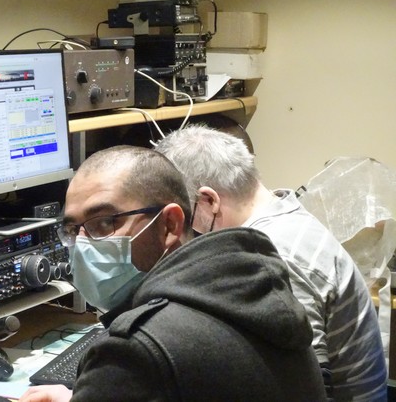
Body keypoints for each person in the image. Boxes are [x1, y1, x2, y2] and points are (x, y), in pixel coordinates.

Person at [19, 145, 325, 402]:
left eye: (105, 223)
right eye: (73, 230)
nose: (84, 245)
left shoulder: (134, 351)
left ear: (169, 225)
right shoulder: (244, 284)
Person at [155, 124, 387, 401]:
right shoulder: (286, 218)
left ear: (208, 200)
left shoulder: (273, 256)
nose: (183, 234)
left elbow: (307, 390)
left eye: (184, 217)